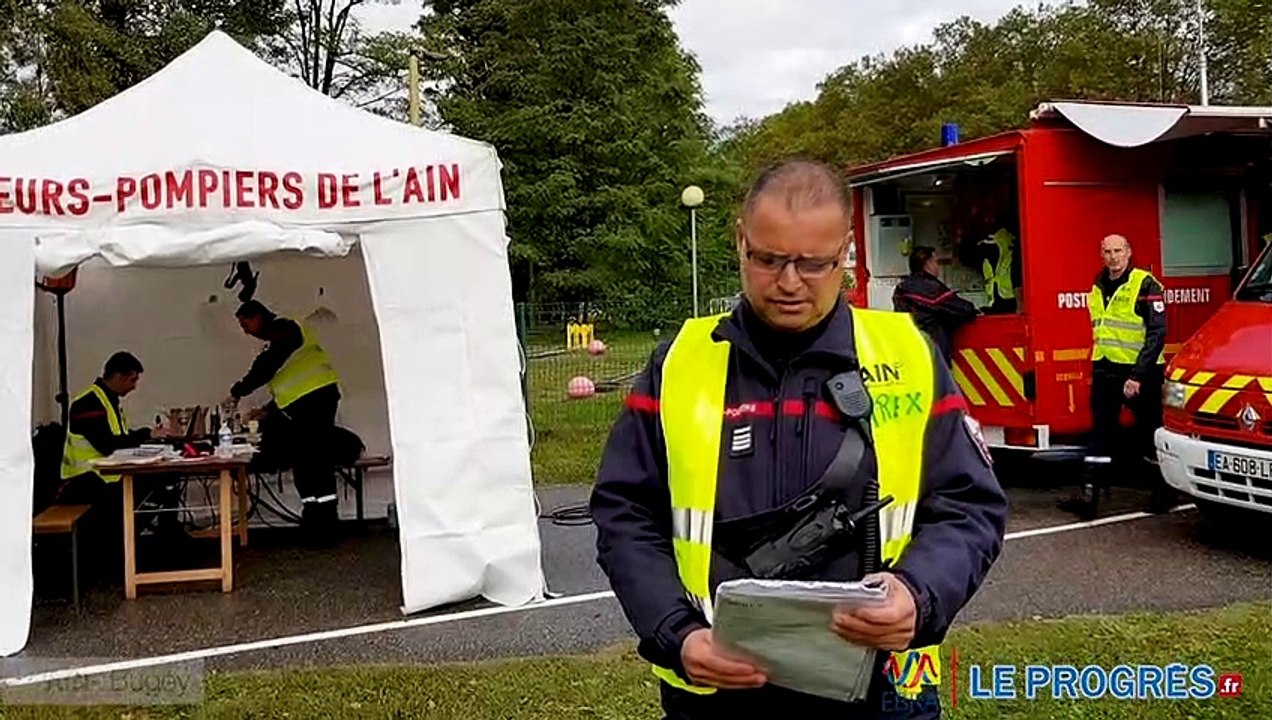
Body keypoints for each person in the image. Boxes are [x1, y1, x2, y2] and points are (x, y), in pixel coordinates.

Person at [590, 159, 1009, 719]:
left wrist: (918, 592)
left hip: (883, 690)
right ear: (740, 239)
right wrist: (677, 633)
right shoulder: (679, 362)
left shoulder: (907, 355)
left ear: (846, 252)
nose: (789, 282)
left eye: (814, 263)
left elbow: (969, 505)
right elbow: (624, 514)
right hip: (717, 691)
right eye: (767, 259)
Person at [1060, 234, 1174, 519]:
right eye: (1107, 251)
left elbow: (1157, 333)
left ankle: (1163, 493)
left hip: (1141, 373)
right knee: (1100, 433)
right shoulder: (1098, 286)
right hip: (1106, 370)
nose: (1113, 257)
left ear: (1128, 252)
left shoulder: (1146, 284)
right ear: (1101, 254)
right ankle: (1090, 496)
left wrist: (1137, 375)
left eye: (1118, 251)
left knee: (1149, 433)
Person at [56, 352, 184, 575]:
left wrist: (149, 438)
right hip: (85, 481)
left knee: (167, 477)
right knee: (155, 485)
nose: (134, 387)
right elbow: (108, 445)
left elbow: (120, 438)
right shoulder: (88, 403)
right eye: (132, 379)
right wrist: (148, 434)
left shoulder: (109, 401)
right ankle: (127, 547)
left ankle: (166, 537)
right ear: (116, 376)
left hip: (107, 476)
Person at [229, 300, 342, 543]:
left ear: (258, 316)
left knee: (315, 460)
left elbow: (268, 366)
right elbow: (286, 378)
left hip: (315, 400)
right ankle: (313, 520)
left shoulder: (285, 328)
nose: (245, 330)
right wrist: (268, 410)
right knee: (303, 460)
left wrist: (240, 389)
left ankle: (326, 526)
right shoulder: (277, 337)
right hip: (302, 404)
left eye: (245, 323)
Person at [892, 246, 979, 363]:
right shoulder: (931, 289)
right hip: (933, 349)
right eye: (935, 262)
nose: (937, 267)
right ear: (927, 263)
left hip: (909, 349)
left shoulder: (901, 288)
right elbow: (963, 309)